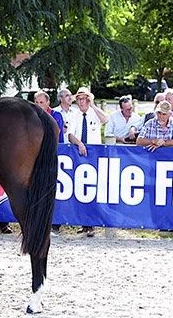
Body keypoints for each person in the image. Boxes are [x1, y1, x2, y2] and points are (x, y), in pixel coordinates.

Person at [67, 87, 108, 237]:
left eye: (84, 98)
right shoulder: (74, 116)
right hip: (79, 154)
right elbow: (70, 134)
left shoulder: (94, 113)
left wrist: (94, 106)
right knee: (80, 188)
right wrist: (79, 143)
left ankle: (91, 224)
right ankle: (84, 224)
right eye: (79, 99)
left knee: (92, 189)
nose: (81, 102)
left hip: (93, 155)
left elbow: (105, 119)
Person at [35, 90, 64, 236]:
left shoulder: (56, 116)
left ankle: (55, 225)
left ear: (48, 103)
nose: (39, 105)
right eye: (37, 102)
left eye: (42, 102)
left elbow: (58, 137)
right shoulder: (32, 117)